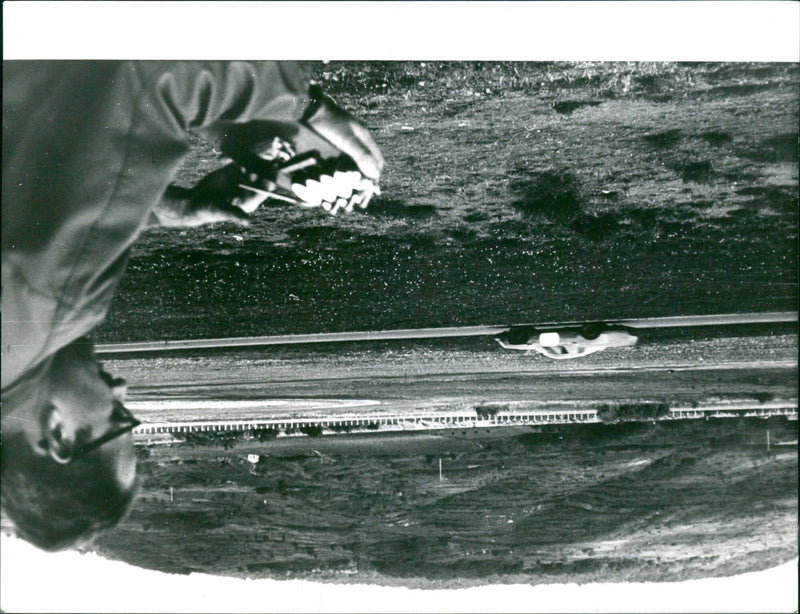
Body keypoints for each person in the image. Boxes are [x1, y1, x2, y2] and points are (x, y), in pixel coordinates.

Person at [1, 61, 384, 551]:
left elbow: (148, 76)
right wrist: (166, 209)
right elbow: (27, 197)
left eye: (118, 419)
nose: (120, 389)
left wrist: (309, 108)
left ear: (57, 436)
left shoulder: (54, 306)